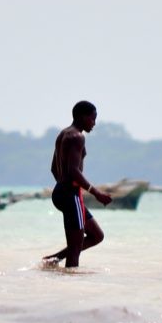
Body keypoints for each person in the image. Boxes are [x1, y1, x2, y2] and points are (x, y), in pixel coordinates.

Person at [43, 101, 112, 268]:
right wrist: (96, 193)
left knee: (96, 235)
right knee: (75, 247)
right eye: (92, 119)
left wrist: (62, 186)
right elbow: (74, 170)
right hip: (70, 194)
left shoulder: (63, 135)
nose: (94, 123)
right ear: (82, 117)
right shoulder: (77, 137)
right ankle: (71, 287)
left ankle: (52, 260)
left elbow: (54, 168)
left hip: (64, 193)